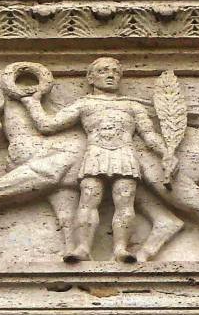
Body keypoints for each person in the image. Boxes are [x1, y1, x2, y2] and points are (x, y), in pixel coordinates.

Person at [21, 56, 174, 262]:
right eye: (103, 71)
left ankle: (120, 249)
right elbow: (48, 125)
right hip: (96, 153)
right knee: (88, 199)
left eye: (115, 72)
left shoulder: (131, 106)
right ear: (90, 78)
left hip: (125, 153)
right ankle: (83, 248)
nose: (110, 75)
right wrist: (33, 104)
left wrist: (165, 153)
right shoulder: (85, 104)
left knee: (125, 200)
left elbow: (148, 135)